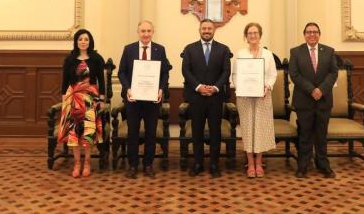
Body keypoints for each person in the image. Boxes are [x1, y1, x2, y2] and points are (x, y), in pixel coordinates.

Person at [118, 20, 170, 179]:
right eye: (143, 31)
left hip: (152, 100)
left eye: (149, 31)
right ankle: (133, 166)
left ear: (153, 32)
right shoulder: (129, 49)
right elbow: (122, 72)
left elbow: (164, 73)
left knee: (151, 134)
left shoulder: (159, 50)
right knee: (132, 133)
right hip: (133, 99)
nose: (146, 34)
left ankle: (148, 165)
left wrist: (161, 89)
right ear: (138, 32)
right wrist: (128, 88)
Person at [182, 18, 232, 177]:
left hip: (215, 97)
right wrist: (199, 87)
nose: (207, 31)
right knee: (196, 131)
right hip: (196, 97)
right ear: (199, 30)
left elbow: (226, 72)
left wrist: (215, 88)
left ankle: (214, 164)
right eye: (204, 28)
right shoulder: (189, 49)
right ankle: (197, 163)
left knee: (215, 132)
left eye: (209, 28)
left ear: (214, 30)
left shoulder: (223, 49)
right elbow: (186, 71)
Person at [289, 22, 338, 179]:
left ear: (319, 34)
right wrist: (312, 90)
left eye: (315, 32)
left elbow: (333, 73)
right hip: (304, 100)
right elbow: (294, 74)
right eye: (309, 32)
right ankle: (303, 165)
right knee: (305, 134)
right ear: (304, 35)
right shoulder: (296, 52)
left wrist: (321, 90)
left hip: (323, 100)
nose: (312, 34)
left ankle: (323, 164)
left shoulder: (329, 51)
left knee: (321, 135)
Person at [58, 29, 106, 178]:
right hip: (73, 98)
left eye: (86, 39)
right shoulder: (69, 59)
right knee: (74, 132)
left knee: (88, 132)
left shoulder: (97, 58)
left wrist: (102, 99)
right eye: (80, 39)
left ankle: (87, 163)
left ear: (90, 41)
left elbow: (101, 80)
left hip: (90, 99)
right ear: (76, 42)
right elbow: (65, 80)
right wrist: (64, 99)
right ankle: (77, 163)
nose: (83, 42)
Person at [234, 22, 277, 178]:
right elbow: (235, 75)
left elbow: (272, 75)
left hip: (263, 97)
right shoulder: (240, 54)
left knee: (260, 130)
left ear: (260, 35)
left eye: (255, 33)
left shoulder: (268, 54)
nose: (253, 36)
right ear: (246, 37)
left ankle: (259, 162)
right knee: (248, 129)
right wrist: (241, 88)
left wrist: (267, 87)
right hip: (245, 98)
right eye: (250, 33)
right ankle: (250, 163)